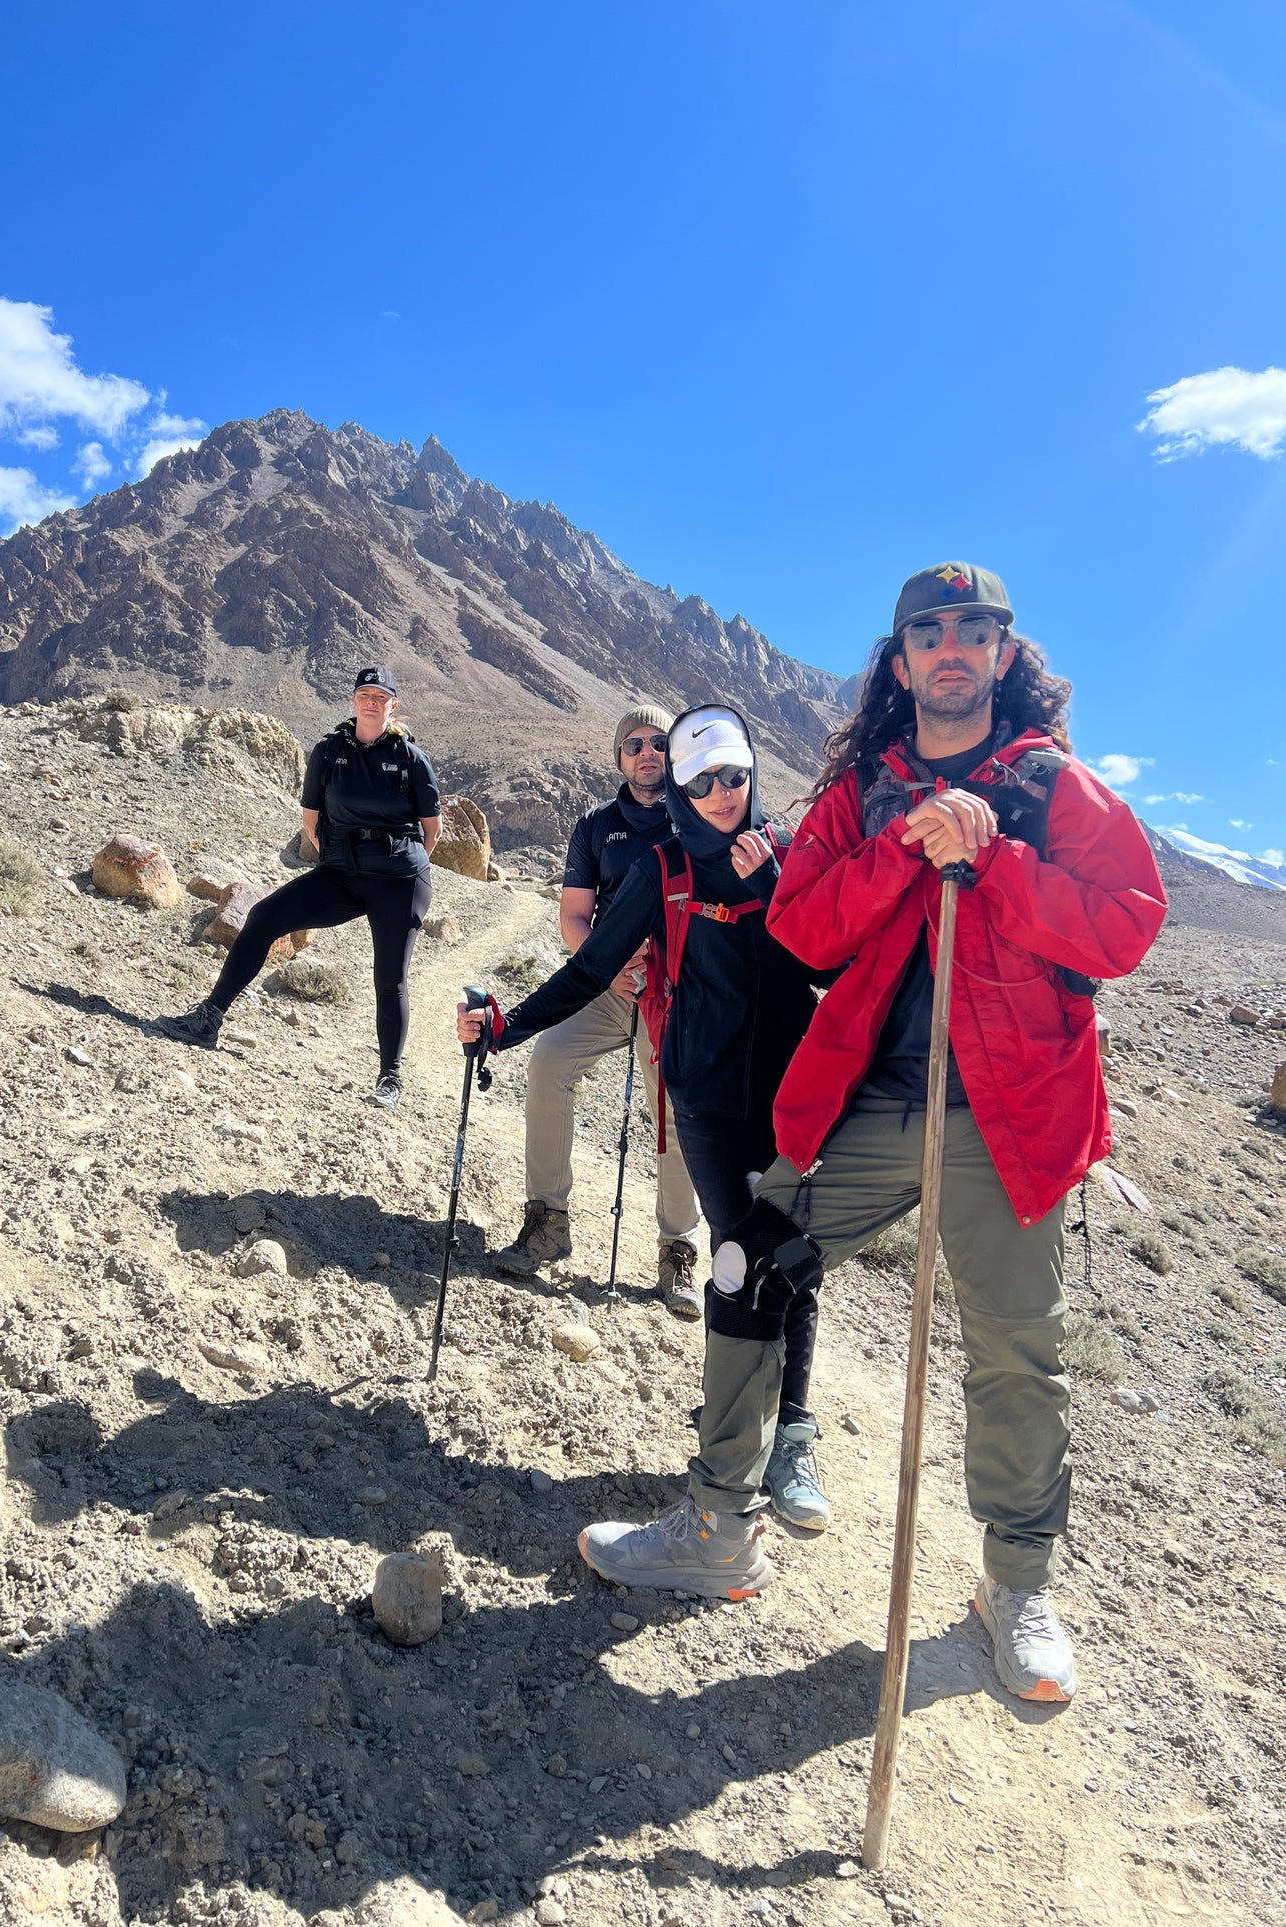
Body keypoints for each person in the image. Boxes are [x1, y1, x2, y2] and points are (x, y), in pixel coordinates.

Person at [575, 563, 1167, 1706]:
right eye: (926, 633)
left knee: (1014, 1350)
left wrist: (992, 859)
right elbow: (798, 922)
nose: (949, 648)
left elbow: (1121, 926)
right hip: (871, 1102)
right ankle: (715, 1524)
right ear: (899, 662)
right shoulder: (863, 789)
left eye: (971, 630)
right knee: (748, 1263)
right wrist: (903, 850)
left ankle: (1013, 1585)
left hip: (1010, 1113)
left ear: (1002, 651)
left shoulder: (1051, 789)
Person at [459, 703, 834, 1528]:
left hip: (788, 1091)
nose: (722, 792)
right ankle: (734, 1450)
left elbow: (834, 961)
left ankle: (793, 1433)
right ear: (681, 788)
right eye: (703, 781)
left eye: (733, 775)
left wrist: (777, 886)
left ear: (751, 771)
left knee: (795, 1255)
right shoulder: (661, 865)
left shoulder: (791, 851)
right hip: (700, 1092)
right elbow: (590, 965)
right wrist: (504, 1028)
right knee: (740, 1258)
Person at [491, 705, 704, 1317]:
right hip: (606, 988)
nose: (648, 753)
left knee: (671, 1107)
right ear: (619, 756)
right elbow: (574, 918)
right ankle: (548, 1221)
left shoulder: (696, 818)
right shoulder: (594, 826)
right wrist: (609, 968)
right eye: (635, 743)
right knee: (549, 1062)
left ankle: (678, 1250)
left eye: (660, 744)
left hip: (671, 994)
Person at [159, 666, 441, 1109]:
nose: (371, 702)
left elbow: (432, 829)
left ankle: (390, 1076)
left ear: (392, 705)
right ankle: (208, 1019)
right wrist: (343, 856)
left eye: (380, 696)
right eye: (364, 694)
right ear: (354, 700)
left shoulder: (410, 758)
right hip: (343, 874)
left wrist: (396, 860)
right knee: (265, 916)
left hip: (399, 881)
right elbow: (311, 820)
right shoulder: (329, 752)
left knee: (390, 976)